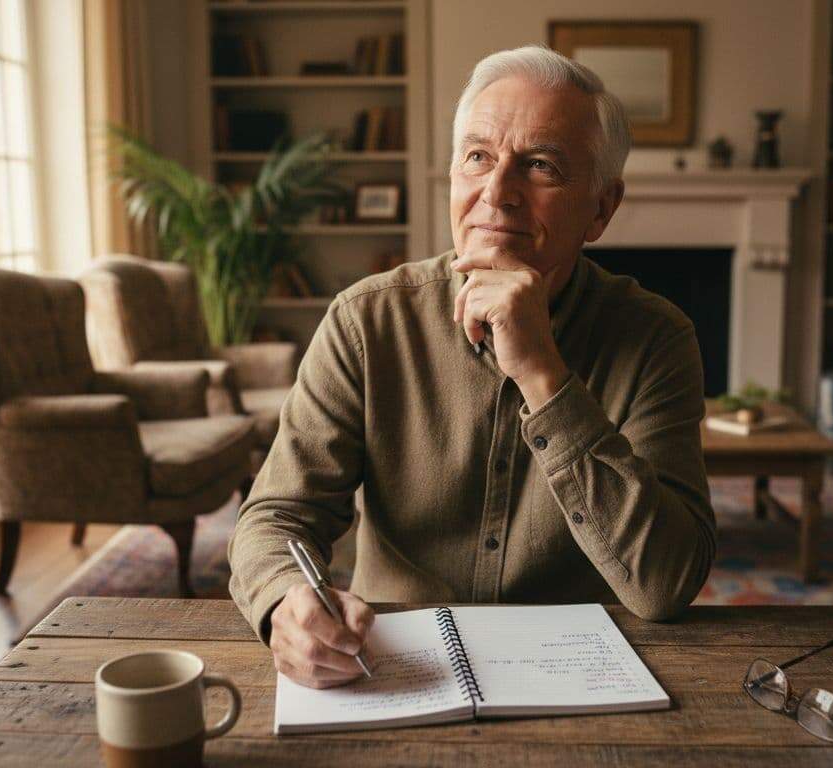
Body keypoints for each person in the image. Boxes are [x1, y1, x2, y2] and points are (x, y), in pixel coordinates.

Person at [229, 46, 715, 689]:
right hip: (393, 670)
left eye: (540, 166)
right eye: (478, 157)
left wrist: (544, 374)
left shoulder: (656, 338)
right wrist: (286, 602)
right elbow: (274, 519)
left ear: (601, 208)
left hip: (574, 675)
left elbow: (665, 585)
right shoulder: (367, 321)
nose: (497, 193)